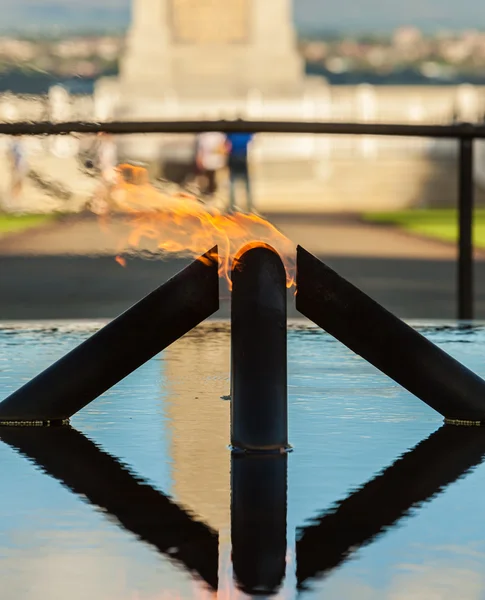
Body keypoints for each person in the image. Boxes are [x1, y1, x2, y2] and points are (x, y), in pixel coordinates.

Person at [226, 131, 254, 213]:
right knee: (246, 184)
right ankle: (249, 206)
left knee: (232, 182)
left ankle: (232, 206)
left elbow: (227, 144)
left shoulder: (231, 133)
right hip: (243, 156)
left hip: (233, 157)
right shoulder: (246, 134)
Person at [195, 131, 227, 198]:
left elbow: (223, 148)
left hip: (217, 162)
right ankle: (207, 195)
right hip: (207, 161)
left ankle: (214, 196)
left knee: (216, 181)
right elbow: (201, 148)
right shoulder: (204, 135)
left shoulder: (219, 135)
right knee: (207, 180)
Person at [8, 138, 28, 204]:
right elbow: (12, 156)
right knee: (16, 183)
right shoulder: (15, 144)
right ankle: (14, 199)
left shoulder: (20, 144)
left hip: (21, 166)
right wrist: (13, 165)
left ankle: (17, 198)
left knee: (19, 183)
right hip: (18, 166)